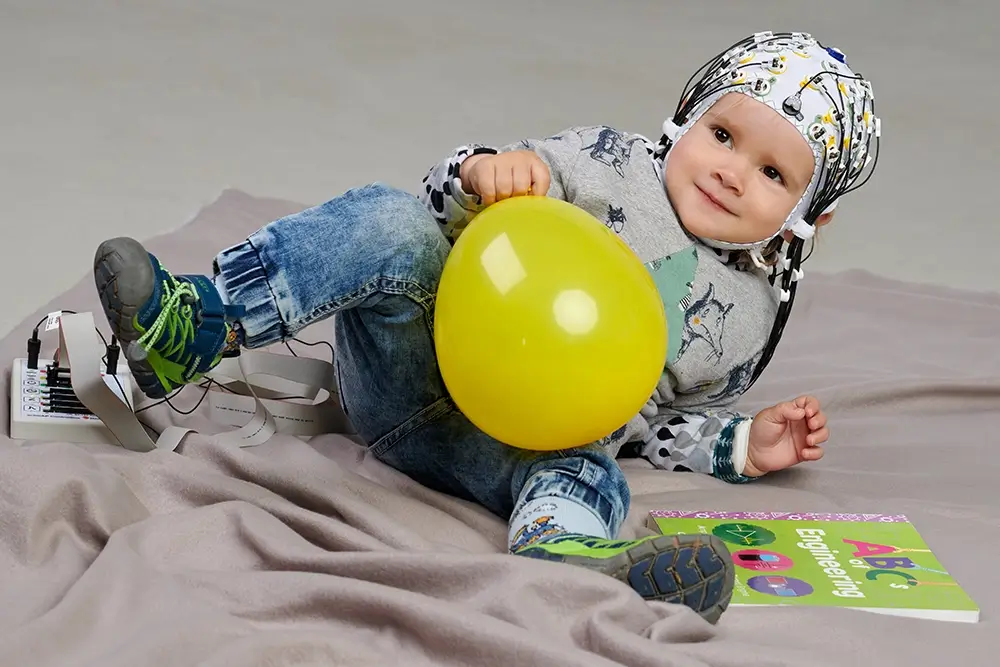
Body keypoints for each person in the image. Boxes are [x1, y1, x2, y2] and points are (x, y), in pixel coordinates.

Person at [91, 31, 880, 624]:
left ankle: (568, 554)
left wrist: (740, 444)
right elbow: (442, 205)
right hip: (416, 364)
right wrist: (481, 175)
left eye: (773, 174)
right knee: (390, 222)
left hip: (509, 456)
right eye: (722, 135)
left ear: (811, 217)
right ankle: (194, 326)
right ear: (685, 117)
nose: (732, 171)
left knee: (591, 464)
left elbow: (656, 423)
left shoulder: (745, 316)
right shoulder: (602, 162)